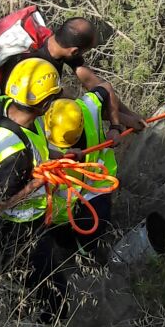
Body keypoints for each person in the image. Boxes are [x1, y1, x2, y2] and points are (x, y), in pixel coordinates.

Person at [0, 57, 68, 320]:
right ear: (43, 104)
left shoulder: (15, 110)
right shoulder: (12, 154)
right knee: (52, 291)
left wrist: (60, 154)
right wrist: (37, 183)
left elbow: (34, 144)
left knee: (25, 279)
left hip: (30, 221)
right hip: (19, 228)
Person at [1, 17, 144, 133]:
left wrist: (131, 115)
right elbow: (75, 109)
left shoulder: (60, 44)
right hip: (19, 123)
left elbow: (93, 82)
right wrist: (122, 120)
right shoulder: (40, 67)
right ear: (75, 51)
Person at [43, 91, 121, 238]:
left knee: (96, 225)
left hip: (96, 182)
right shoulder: (40, 123)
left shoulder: (89, 107)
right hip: (62, 201)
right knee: (62, 236)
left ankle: (89, 250)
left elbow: (107, 88)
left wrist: (115, 127)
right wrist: (57, 157)